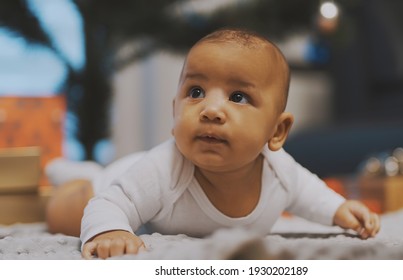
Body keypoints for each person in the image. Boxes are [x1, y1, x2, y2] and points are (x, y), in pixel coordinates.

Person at [46, 28, 380, 259]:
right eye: (195, 92)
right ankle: (79, 176)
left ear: (277, 132)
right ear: (175, 110)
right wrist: (107, 231)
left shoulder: (280, 171)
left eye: (238, 97)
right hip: (118, 179)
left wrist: (338, 210)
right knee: (66, 212)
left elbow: (309, 192)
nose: (211, 110)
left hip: (134, 179)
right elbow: (112, 204)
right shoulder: (164, 169)